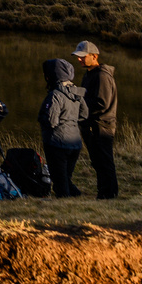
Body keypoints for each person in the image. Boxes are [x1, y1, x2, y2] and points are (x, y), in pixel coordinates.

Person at [38, 58, 88, 197]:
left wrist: (43, 120)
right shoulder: (77, 93)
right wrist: (70, 122)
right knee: (65, 177)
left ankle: (64, 204)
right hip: (75, 142)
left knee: (59, 180)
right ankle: (75, 196)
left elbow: (51, 121)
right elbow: (85, 114)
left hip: (57, 143)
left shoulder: (55, 95)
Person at [75, 40, 118, 199]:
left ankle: (109, 194)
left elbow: (102, 103)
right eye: (78, 57)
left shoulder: (101, 75)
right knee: (98, 161)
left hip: (101, 126)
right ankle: (103, 193)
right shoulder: (90, 74)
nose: (79, 59)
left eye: (82, 56)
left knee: (104, 161)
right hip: (93, 125)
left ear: (94, 56)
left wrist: (79, 102)